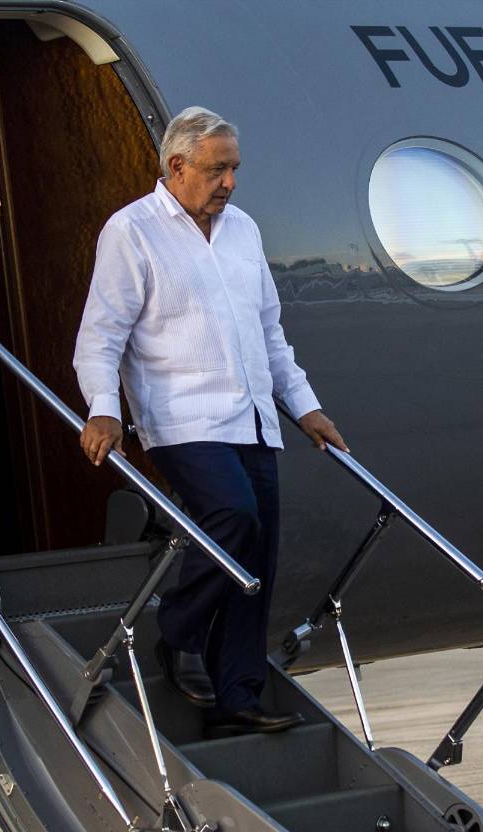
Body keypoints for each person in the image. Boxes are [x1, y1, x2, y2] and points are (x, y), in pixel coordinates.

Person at [73, 106, 347, 736]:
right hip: (183, 418)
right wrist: (104, 409)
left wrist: (305, 405)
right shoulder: (132, 231)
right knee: (233, 516)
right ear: (177, 166)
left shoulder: (243, 230)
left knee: (258, 559)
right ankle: (178, 633)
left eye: (234, 169)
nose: (230, 182)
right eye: (218, 169)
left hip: (254, 418)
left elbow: (269, 332)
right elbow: (101, 334)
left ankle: (237, 698)